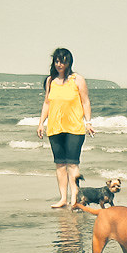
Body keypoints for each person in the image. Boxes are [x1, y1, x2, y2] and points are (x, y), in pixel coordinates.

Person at [37, 48, 95, 208]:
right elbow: (47, 103)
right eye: (56, 61)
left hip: (74, 128)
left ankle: (75, 198)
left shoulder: (78, 80)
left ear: (69, 62)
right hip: (55, 128)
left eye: (62, 61)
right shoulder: (50, 81)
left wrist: (88, 122)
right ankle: (63, 198)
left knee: (73, 164)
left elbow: (85, 102)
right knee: (60, 164)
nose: (59, 64)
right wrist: (41, 123)